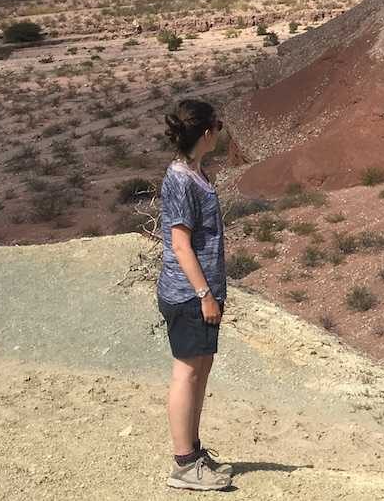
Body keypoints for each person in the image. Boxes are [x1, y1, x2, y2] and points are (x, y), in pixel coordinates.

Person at [157, 100, 232, 491]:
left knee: (200, 369)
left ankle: (193, 450)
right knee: (186, 372)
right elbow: (181, 245)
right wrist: (204, 294)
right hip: (189, 294)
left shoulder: (193, 171)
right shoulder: (182, 179)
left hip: (201, 292)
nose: (220, 132)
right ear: (206, 133)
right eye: (217, 126)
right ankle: (184, 464)